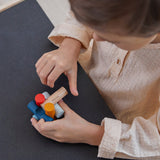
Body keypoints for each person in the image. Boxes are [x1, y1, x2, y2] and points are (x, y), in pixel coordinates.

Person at [31, 0, 160, 159]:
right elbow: (86, 11)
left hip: (125, 123)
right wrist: (71, 44)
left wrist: (90, 135)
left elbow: (155, 141)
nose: (96, 37)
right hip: (87, 81)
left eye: (113, 39)